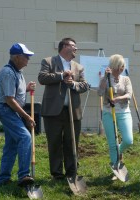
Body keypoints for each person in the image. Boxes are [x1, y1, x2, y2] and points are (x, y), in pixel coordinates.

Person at [38, 38, 89, 180]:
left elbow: (85, 85)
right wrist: (61, 76)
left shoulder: (78, 67)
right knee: (54, 143)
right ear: (64, 46)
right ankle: (57, 174)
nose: (76, 49)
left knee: (72, 143)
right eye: (74, 46)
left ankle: (72, 173)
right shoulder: (49, 62)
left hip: (73, 112)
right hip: (52, 112)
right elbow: (42, 78)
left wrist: (73, 84)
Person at [0, 43, 36, 186]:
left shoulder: (17, 72)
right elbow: (9, 99)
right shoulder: (8, 73)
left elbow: (13, 92)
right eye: (26, 57)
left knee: (11, 145)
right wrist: (27, 117)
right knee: (25, 137)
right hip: (7, 110)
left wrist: (26, 89)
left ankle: (3, 179)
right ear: (17, 57)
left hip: (10, 109)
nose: (28, 60)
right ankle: (24, 175)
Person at [98, 54, 133, 173]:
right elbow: (100, 92)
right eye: (119, 66)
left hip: (124, 112)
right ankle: (116, 167)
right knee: (112, 143)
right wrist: (104, 78)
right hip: (108, 113)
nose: (121, 68)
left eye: (123, 66)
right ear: (113, 66)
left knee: (128, 140)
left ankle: (119, 150)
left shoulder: (126, 79)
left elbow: (129, 94)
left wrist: (118, 98)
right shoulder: (106, 79)